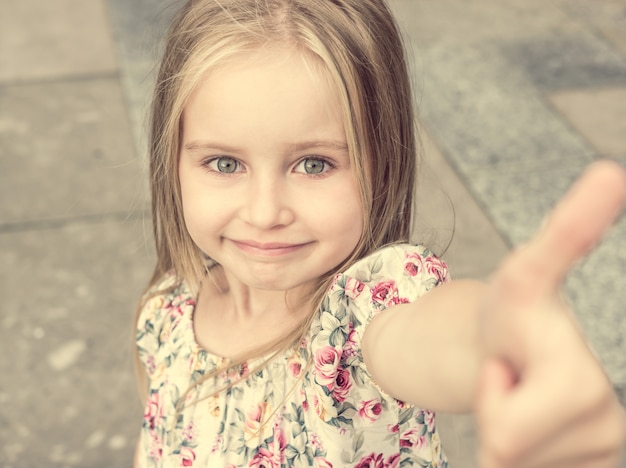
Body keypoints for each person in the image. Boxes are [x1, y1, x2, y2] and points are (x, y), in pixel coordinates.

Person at [133, 0, 626, 466]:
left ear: (383, 164)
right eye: (224, 163)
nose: (265, 213)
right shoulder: (168, 311)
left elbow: (426, 338)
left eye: (314, 163)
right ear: (171, 161)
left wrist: (498, 339)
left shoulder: (359, 316)